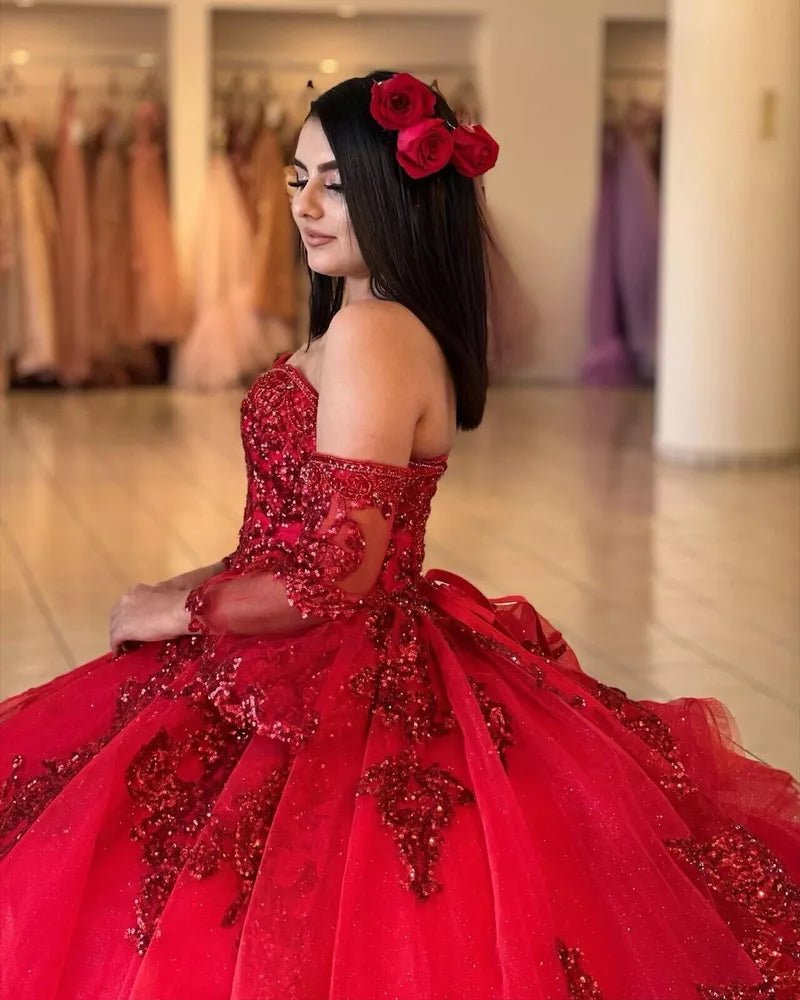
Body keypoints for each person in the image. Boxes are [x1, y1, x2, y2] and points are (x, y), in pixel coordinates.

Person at [1, 71, 798, 1000]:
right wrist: (193, 579)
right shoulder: (363, 319)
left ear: (397, 188)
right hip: (300, 629)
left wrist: (183, 607)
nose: (303, 205)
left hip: (330, 656)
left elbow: (334, 578)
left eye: (335, 182)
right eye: (297, 176)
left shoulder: (375, 335)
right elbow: (287, 532)